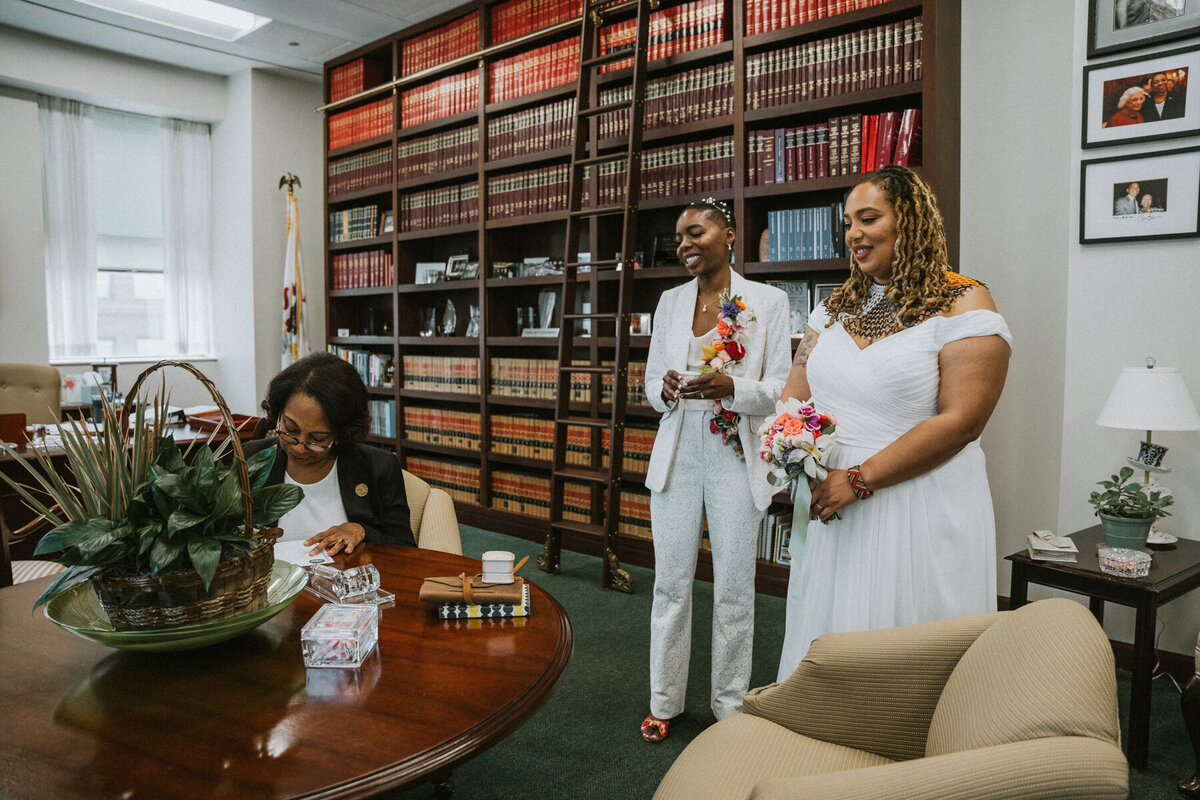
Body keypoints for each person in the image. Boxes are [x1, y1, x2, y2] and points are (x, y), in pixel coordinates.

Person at [776, 165, 1011, 682]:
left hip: (916, 500)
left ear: (908, 220)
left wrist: (858, 479)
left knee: (906, 647)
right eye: (847, 224)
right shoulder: (830, 309)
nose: (853, 234)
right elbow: (795, 395)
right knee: (832, 630)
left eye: (868, 218)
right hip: (831, 500)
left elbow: (962, 422)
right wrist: (793, 451)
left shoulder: (964, 300)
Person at [641, 198, 791, 742]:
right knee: (670, 584)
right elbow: (651, 380)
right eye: (679, 236)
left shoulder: (769, 302)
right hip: (679, 449)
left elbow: (779, 390)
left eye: (696, 232)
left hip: (734, 450)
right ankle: (665, 700)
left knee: (733, 586)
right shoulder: (669, 301)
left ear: (729, 234)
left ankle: (729, 707)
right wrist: (660, 389)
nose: (684, 244)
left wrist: (734, 387)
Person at [244, 352, 415, 554]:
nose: (299, 447)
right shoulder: (251, 458)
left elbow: (405, 550)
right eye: (290, 429)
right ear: (278, 414)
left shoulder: (378, 467)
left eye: (317, 439)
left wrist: (362, 531)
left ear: (342, 433)